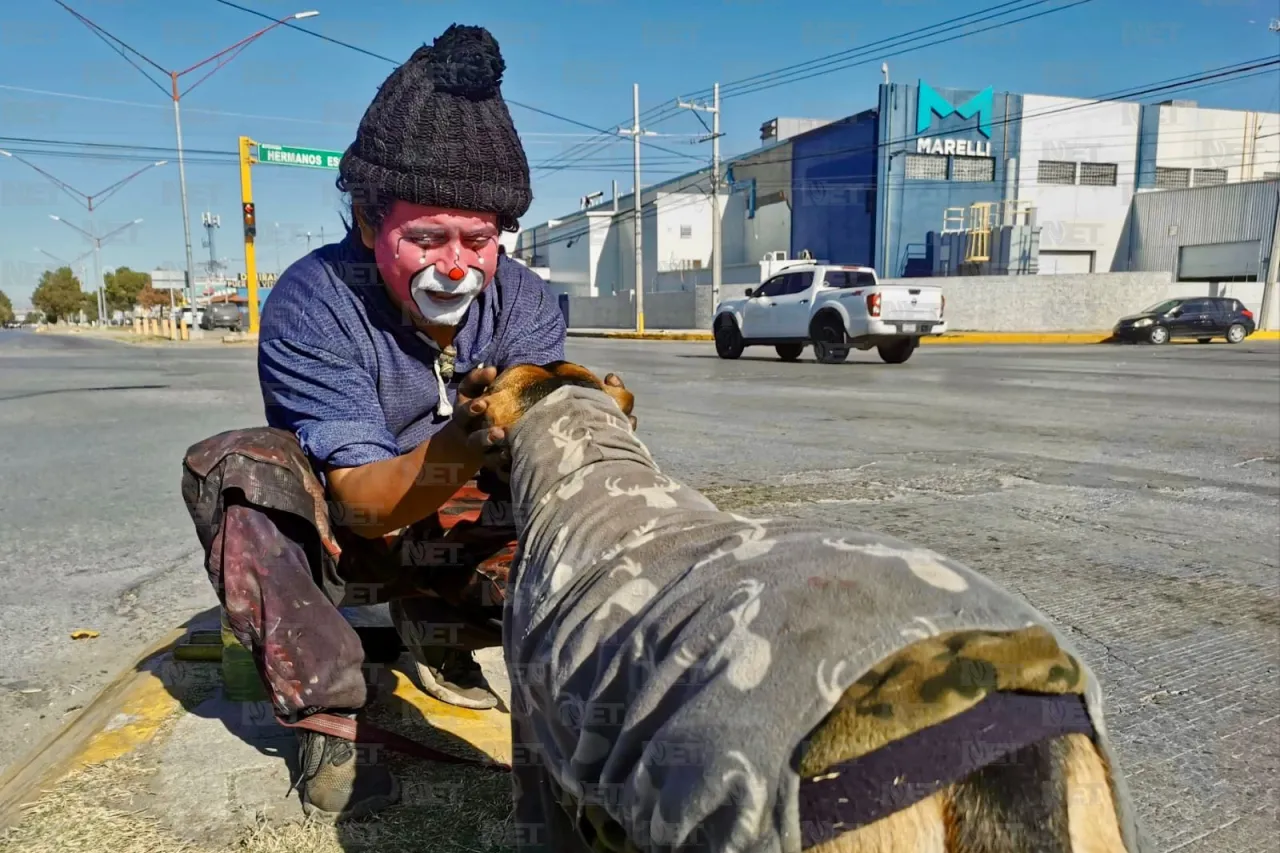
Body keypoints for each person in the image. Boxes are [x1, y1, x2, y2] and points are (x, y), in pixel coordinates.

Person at [180, 23, 633, 821]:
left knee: (587, 518)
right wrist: (460, 443)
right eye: (425, 237)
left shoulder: (521, 300)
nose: (455, 264)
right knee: (239, 472)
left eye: (478, 239)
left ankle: (441, 625)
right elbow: (358, 501)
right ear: (366, 221)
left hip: (458, 535)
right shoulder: (313, 302)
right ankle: (326, 713)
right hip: (349, 538)